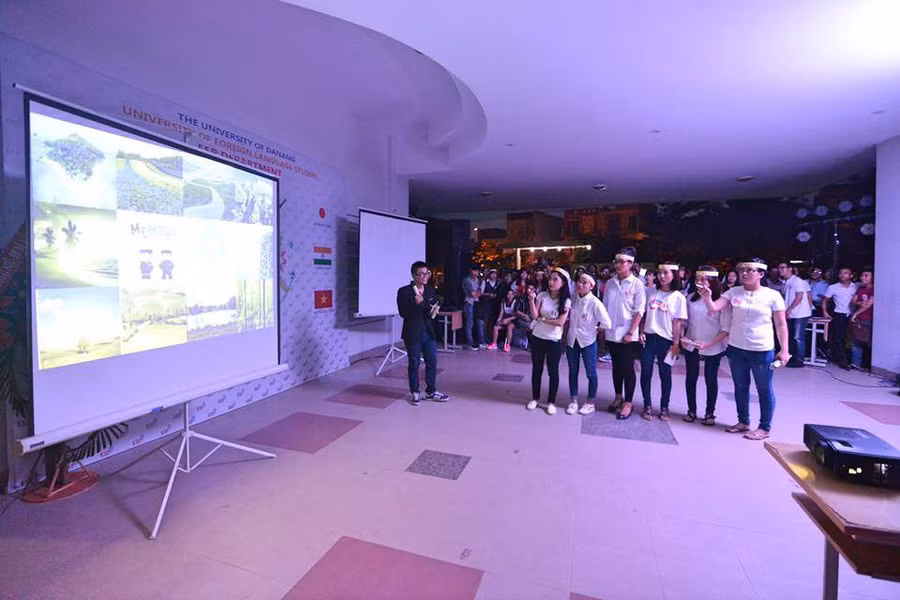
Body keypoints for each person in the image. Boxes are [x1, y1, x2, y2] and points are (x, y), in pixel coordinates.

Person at [699, 258, 790, 440]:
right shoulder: (733, 292)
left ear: (761, 274)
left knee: (764, 388)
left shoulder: (772, 296)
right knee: (740, 386)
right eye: (742, 270)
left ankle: (764, 427)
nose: (744, 273)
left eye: (750, 270)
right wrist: (707, 298)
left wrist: (784, 350)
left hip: (762, 349)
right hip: (736, 347)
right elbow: (714, 308)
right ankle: (743, 422)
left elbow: (781, 325)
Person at [639, 262, 688, 421]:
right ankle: (647, 405)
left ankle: (664, 407)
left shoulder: (678, 297)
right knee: (645, 373)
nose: (661, 276)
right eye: (660, 272)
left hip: (666, 341)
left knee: (665, 374)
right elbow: (643, 314)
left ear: (674, 275)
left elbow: (677, 323)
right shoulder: (650, 292)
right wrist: (641, 331)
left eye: (666, 273)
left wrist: (676, 344)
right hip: (648, 338)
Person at [602, 247, 646, 419]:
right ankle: (618, 396)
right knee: (616, 367)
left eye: (622, 262)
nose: (618, 265)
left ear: (631, 263)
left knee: (627, 368)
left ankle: (628, 402)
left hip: (628, 333)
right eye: (617, 261)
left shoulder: (637, 284)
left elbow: (639, 311)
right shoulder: (610, 283)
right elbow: (605, 307)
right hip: (611, 332)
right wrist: (602, 326)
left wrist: (631, 332)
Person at [683, 266, 731, 426]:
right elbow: (685, 321)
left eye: (703, 279)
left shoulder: (721, 301)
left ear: (712, 281)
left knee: (711, 379)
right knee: (691, 378)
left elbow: (725, 329)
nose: (699, 282)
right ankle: (691, 410)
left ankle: (710, 413)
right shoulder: (690, 298)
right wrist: (682, 337)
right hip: (692, 344)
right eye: (697, 279)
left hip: (713, 345)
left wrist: (709, 344)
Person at [397, 262, 449, 405]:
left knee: (432, 362)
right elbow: (403, 313)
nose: (425, 276)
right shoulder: (404, 291)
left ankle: (431, 391)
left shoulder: (430, 290)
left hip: (429, 332)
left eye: (427, 273)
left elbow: (428, 311)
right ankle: (415, 392)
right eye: (421, 274)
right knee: (414, 363)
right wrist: (415, 303)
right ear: (414, 275)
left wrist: (434, 311)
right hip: (413, 332)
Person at [565, 273, 612, 415]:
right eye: (579, 281)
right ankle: (573, 400)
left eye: (585, 283)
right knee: (573, 371)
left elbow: (607, 323)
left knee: (591, 373)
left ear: (591, 286)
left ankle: (590, 402)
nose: (580, 284)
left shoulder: (595, 303)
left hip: (587, 341)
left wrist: (596, 328)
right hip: (572, 340)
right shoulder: (573, 299)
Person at [526, 267, 571, 415]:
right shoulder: (542, 295)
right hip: (538, 337)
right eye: (550, 279)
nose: (551, 282)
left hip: (554, 340)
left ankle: (551, 402)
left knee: (553, 371)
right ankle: (535, 398)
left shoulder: (566, 301)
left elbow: (560, 322)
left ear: (563, 283)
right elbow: (534, 316)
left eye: (555, 279)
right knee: (536, 369)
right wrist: (531, 300)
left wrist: (543, 319)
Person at [778, 261, 813, 368]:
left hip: (800, 313)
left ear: (790, 269)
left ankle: (799, 360)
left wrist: (789, 310)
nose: (780, 270)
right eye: (779, 268)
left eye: (783, 267)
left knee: (798, 337)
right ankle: (791, 357)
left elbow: (799, 297)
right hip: (791, 313)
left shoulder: (798, 281)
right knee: (790, 337)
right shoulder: (786, 282)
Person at [824, 267, 857, 370]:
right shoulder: (833, 287)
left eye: (845, 273)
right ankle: (843, 361)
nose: (842, 275)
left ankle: (853, 361)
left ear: (851, 275)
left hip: (853, 315)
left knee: (852, 339)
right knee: (839, 338)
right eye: (841, 273)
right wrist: (825, 312)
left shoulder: (856, 286)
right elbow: (825, 300)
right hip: (839, 315)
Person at [850, 268, 874, 370]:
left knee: (868, 342)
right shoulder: (860, 289)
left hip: (869, 319)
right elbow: (853, 301)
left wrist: (855, 314)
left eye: (866, 275)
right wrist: (860, 303)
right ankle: (856, 364)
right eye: (862, 275)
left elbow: (868, 305)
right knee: (856, 341)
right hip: (859, 320)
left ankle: (869, 365)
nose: (862, 278)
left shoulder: (874, 289)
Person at [461, 266, 483, 351]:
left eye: (477, 271)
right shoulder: (467, 280)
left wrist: (477, 293)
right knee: (469, 322)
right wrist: (477, 293)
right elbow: (472, 294)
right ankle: (469, 342)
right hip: (469, 303)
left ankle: (479, 341)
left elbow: (480, 293)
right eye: (474, 271)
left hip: (476, 303)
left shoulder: (478, 280)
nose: (476, 273)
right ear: (470, 271)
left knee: (478, 322)